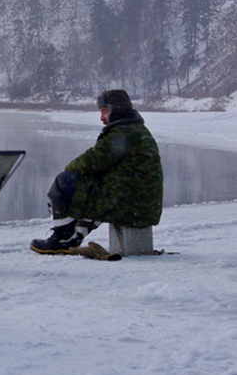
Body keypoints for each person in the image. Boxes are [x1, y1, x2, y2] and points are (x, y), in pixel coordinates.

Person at [30, 89, 163, 254]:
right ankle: (75, 235)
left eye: (104, 111)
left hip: (131, 206)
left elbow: (90, 162)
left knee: (65, 182)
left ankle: (62, 238)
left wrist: (71, 172)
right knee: (96, 190)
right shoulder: (136, 130)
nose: (101, 118)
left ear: (117, 110)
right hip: (141, 206)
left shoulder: (123, 134)